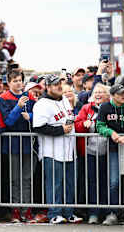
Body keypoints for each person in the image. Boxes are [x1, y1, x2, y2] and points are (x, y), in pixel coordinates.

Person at [32, 75, 82, 224]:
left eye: (59, 84)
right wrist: (61, 130)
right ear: (47, 87)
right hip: (51, 151)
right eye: (54, 85)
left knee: (69, 183)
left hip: (69, 150)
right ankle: (54, 213)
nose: (59, 87)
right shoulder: (41, 104)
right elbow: (39, 127)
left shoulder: (65, 100)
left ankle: (68, 212)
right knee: (55, 184)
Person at [0, 71, 36, 222]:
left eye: (20, 80)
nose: (18, 83)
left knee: (27, 178)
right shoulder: (3, 98)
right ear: (9, 83)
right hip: (12, 144)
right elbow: (7, 122)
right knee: (14, 179)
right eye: (15, 81)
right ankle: (15, 209)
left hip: (28, 145)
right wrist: (18, 107)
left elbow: (37, 117)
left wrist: (30, 116)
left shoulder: (30, 96)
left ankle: (26, 209)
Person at [96, 84, 124, 226]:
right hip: (113, 148)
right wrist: (111, 133)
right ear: (113, 96)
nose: (123, 95)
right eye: (120, 94)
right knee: (114, 182)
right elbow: (100, 125)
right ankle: (113, 212)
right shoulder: (105, 107)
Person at [74, 83, 110, 224]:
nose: (98, 94)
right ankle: (94, 213)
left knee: (107, 183)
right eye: (96, 92)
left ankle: (107, 212)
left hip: (108, 152)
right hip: (90, 152)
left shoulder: (110, 108)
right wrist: (83, 124)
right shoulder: (86, 108)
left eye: (101, 92)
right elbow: (77, 124)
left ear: (107, 95)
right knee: (92, 183)